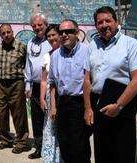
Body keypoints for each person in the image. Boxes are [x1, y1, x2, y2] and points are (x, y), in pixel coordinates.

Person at [83, 6, 137, 163]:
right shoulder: (92, 45)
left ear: (117, 22)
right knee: (103, 153)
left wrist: (118, 106)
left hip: (123, 107)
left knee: (123, 153)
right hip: (99, 106)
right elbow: (87, 79)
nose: (104, 25)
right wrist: (88, 108)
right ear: (96, 26)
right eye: (99, 22)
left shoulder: (131, 44)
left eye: (108, 20)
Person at [49, 19, 91, 163]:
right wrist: (53, 107)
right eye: (61, 32)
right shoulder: (55, 55)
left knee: (80, 145)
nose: (64, 35)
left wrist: (88, 108)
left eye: (69, 31)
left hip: (80, 103)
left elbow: (90, 81)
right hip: (62, 103)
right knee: (64, 143)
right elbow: (52, 84)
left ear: (77, 32)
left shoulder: (87, 51)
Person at [0, 23, 30, 154]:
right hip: (1, 84)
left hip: (16, 83)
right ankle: (5, 140)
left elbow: (27, 65)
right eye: (3, 33)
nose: (6, 35)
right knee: (2, 113)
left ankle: (21, 142)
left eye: (8, 32)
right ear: (1, 35)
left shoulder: (22, 47)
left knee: (18, 113)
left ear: (12, 32)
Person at [25, 13, 52, 159]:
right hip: (35, 86)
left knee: (50, 118)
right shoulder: (30, 43)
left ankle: (52, 147)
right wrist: (27, 85)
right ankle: (39, 146)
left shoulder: (52, 40)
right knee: (36, 119)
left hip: (50, 87)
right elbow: (28, 66)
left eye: (40, 25)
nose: (37, 28)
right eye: (34, 26)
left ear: (46, 25)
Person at [40, 24, 61, 162]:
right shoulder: (47, 56)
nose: (51, 38)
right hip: (49, 95)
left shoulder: (67, 52)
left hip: (63, 95)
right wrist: (42, 98)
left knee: (62, 126)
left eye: (54, 34)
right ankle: (51, 158)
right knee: (50, 126)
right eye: (48, 36)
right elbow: (43, 80)